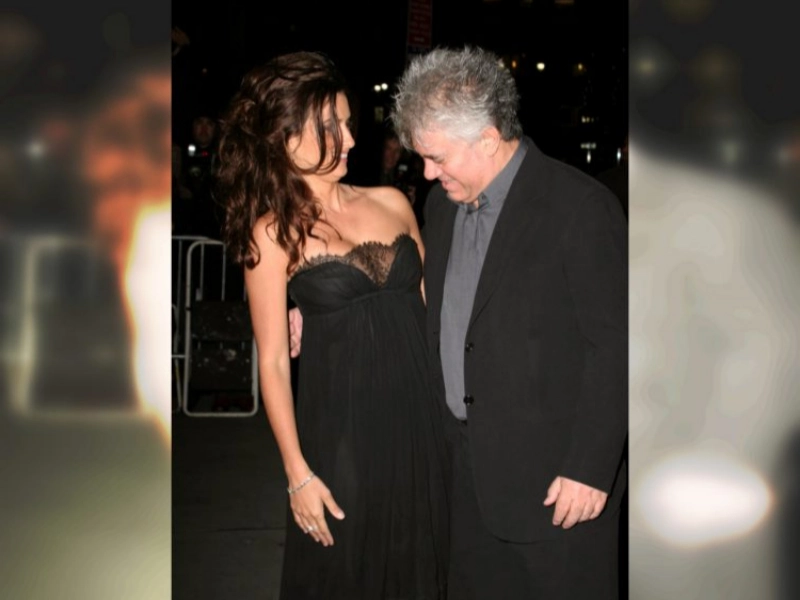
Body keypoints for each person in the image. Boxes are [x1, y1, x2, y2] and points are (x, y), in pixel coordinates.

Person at [391, 46, 627, 599]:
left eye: (437, 157)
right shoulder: (442, 208)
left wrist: (590, 467)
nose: (428, 172)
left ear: (488, 139)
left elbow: (617, 345)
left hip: (557, 487)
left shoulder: (579, 208)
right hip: (465, 477)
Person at [215, 51, 448, 600]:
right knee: (347, 573)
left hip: (422, 421)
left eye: (346, 123)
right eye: (329, 127)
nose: (349, 139)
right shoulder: (271, 234)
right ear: (285, 137)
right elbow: (274, 362)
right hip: (342, 435)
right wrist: (297, 473)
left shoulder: (393, 202)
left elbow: (434, 309)